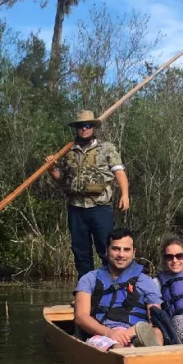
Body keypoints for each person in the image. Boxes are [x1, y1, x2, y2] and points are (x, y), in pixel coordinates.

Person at [47, 110, 130, 277]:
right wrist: (51, 169)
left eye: (87, 125)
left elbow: (119, 172)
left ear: (93, 127)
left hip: (99, 207)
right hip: (76, 208)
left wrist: (125, 195)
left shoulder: (106, 148)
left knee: (107, 249)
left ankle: (112, 287)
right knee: (80, 252)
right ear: (76, 129)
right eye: (80, 126)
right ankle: (86, 290)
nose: (84, 129)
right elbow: (62, 179)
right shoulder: (68, 151)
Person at [74, 228, 163, 351]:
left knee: (157, 332)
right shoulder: (89, 279)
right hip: (102, 334)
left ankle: (152, 356)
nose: (121, 255)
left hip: (137, 331)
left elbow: (155, 319)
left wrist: (131, 332)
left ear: (134, 252)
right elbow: (81, 316)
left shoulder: (146, 281)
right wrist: (109, 333)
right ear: (106, 250)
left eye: (126, 250)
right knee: (117, 346)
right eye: (116, 249)